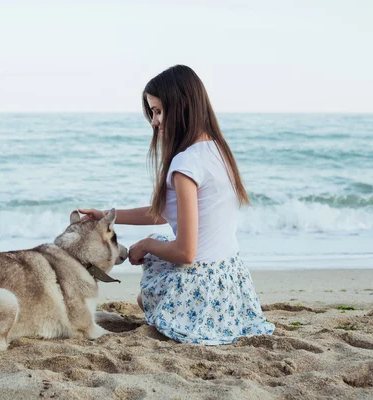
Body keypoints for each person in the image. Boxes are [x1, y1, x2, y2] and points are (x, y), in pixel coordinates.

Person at [79, 65, 274, 345]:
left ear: (181, 106)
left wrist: (144, 245)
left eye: (158, 111)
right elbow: (162, 214)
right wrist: (107, 216)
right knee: (160, 247)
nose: (154, 122)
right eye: (152, 112)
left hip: (202, 288)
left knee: (146, 293)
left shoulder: (186, 164)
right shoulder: (217, 150)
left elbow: (185, 252)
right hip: (230, 285)